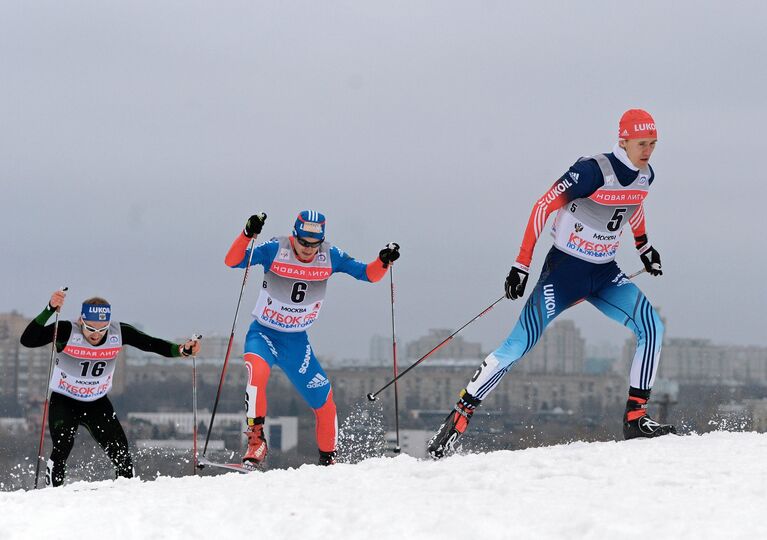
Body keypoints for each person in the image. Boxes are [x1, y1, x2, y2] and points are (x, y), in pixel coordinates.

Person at [428, 109, 676, 459]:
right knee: (519, 344)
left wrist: (644, 247)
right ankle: (459, 416)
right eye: (641, 143)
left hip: (605, 273)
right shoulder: (592, 171)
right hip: (564, 273)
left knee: (652, 327)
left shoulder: (645, 175)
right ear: (622, 140)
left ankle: (635, 418)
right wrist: (521, 264)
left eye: (653, 144)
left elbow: (633, 204)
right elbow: (542, 206)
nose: (647, 151)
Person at [225, 210, 399, 466]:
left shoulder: (330, 256)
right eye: (303, 242)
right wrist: (247, 234)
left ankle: (329, 460)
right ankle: (256, 442)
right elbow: (233, 261)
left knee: (325, 404)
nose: (308, 249)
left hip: (295, 342)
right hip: (263, 333)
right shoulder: (275, 249)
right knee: (256, 377)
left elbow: (368, 274)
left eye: (314, 244)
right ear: (293, 235)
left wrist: (383, 260)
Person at [20, 290, 201, 486]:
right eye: (90, 328)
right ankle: (53, 493)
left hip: (96, 402)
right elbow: (28, 340)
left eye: (102, 329)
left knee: (120, 451)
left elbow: (151, 344)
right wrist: (49, 309)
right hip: (64, 400)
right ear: (81, 321)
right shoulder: (66, 330)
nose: (96, 335)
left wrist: (182, 350)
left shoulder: (118, 332)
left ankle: (126, 492)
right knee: (62, 447)